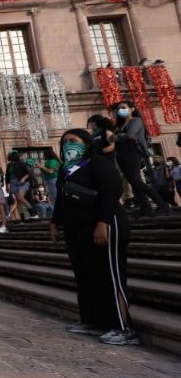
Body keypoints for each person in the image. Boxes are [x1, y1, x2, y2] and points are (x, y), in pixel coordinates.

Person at [50, 128, 135, 345]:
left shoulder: (97, 162)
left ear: (86, 143)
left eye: (73, 140)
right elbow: (61, 198)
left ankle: (122, 326)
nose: (68, 144)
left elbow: (112, 191)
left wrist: (102, 223)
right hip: (77, 228)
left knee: (110, 274)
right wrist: (54, 223)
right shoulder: (66, 169)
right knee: (86, 274)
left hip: (104, 223)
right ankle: (92, 320)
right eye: (65, 141)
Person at [112, 101, 168, 216]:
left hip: (133, 152)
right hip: (121, 154)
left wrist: (118, 137)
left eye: (123, 107)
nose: (120, 110)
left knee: (137, 181)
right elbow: (119, 137)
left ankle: (162, 205)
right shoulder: (120, 124)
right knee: (133, 182)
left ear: (132, 109)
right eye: (119, 108)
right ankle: (145, 207)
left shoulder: (136, 121)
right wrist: (120, 137)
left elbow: (129, 134)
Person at [6, 151, 38, 220]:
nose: (7, 156)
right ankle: (22, 217)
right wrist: (7, 185)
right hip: (13, 182)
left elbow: (28, 173)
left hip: (22, 182)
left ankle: (33, 213)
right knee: (18, 201)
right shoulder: (9, 165)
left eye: (9, 155)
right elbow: (7, 176)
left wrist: (23, 179)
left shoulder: (21, 163)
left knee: (20, 198)